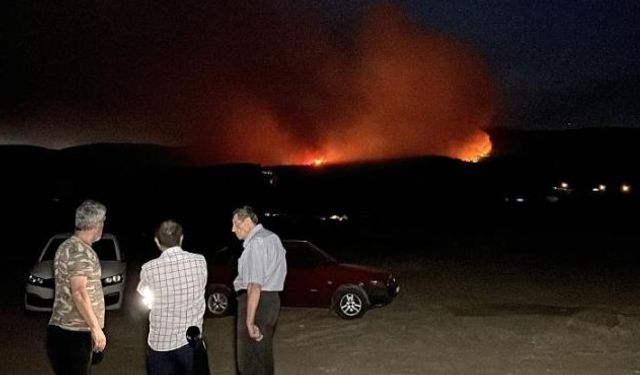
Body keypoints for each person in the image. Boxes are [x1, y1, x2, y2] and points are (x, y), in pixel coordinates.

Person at [137, 220, 208, 375]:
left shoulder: (148, 269)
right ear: (181, 238)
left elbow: (145, 297)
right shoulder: (199, 261)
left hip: (160, 345)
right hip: (191, 342)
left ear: (157, 241)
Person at [47, 199, 108, 375]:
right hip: (75, 334)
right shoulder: (81, 252)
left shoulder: (66, 246)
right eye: (102, 222)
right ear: (96, 224)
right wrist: (96, 329)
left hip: (61, 331)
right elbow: (80, 293)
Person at [231, 206, 287, 375]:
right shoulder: (272, 237)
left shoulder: (256, 243)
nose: (233, 229)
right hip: (271, 301)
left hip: (257, 303)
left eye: (235, 224)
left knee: (249, 362)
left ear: (247, 222)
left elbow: (255, 285)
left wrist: (249, 321)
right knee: (263, 356)